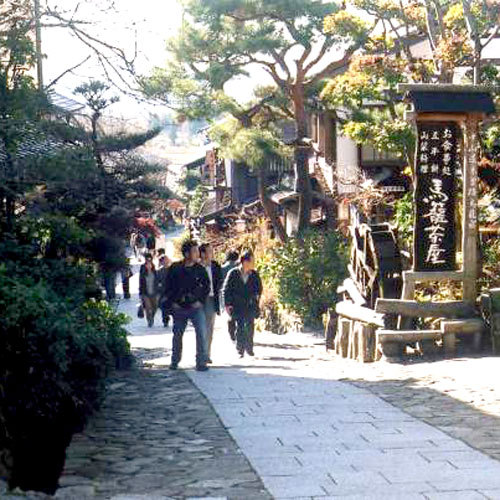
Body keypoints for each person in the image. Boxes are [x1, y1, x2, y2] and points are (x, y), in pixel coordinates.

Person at [164, 240, 210, 371]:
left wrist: (200, 301)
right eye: (194, 251)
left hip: (195, 307)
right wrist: (173, 302)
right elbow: (168, 287)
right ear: (186, 253)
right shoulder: (175, 268)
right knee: (177, 334)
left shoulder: (200, 269)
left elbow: (206, 287)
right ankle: (175, 360)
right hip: (179, 307)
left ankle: (201, 362)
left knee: (201, 333)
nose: (197, 254)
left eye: (197, 251)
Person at [223, 250, 262, 358]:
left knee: (250, 326)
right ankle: (240, 349)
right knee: (240, 326)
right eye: (252, 261)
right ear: (245, 262)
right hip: (237, 305)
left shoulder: (254, 274)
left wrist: (257, 297)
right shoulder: (233, 273)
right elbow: (226, 289)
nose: (253, 263)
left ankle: (249, 348)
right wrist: (227, 304)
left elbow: (259, 288)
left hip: (250, 304)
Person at [199, 243, 223, 363]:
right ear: (202, 254)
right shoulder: (196, 267)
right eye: (209, 251)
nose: (212, 253)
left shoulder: (215, 266)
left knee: (209, 328)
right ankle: (201, 354)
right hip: (199, 301)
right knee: (200, 328)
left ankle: (206, 354)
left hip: (211, 299)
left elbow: (220, 281)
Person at [221, 251, 239, 341]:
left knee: (230, 314)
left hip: (226, 294)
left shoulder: (222, 268)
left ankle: (232, 332)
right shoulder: (238, 267)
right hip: (238, 294)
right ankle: (238, 332)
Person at [139, 254, 159, 327]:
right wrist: (140, 293)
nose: (149, 263)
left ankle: (152, 317)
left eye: (150, 260)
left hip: (154, 292)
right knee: (148, 307)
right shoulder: (142, 269)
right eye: (147, 261)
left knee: (155, 306)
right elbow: (140, 281)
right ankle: (149, 320)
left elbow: (157, 281)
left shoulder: (154, 269)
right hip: (145, 292)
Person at [157, 254, 172, 328]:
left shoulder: (172, 269)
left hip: (172, 291)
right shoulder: (159, 271)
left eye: (167, 259)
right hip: (163, 292)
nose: (167, 260)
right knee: (164, 307)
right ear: (162, 262)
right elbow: (157, 282)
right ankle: (165, 320)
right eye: (165, 259)